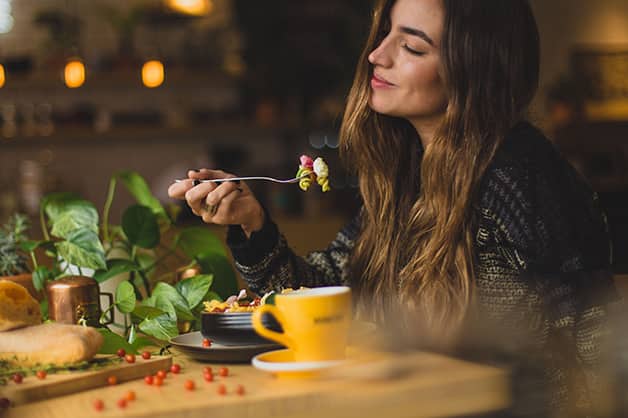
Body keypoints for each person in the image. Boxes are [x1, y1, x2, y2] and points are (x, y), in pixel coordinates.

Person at [169, 0, 618, 415]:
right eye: (384, 34)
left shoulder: (518, 173)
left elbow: (591, 343)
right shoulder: (408, 173)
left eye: (411, 47)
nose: (376, 56)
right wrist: (253, 225)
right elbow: (329, 295)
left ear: (473, 71)